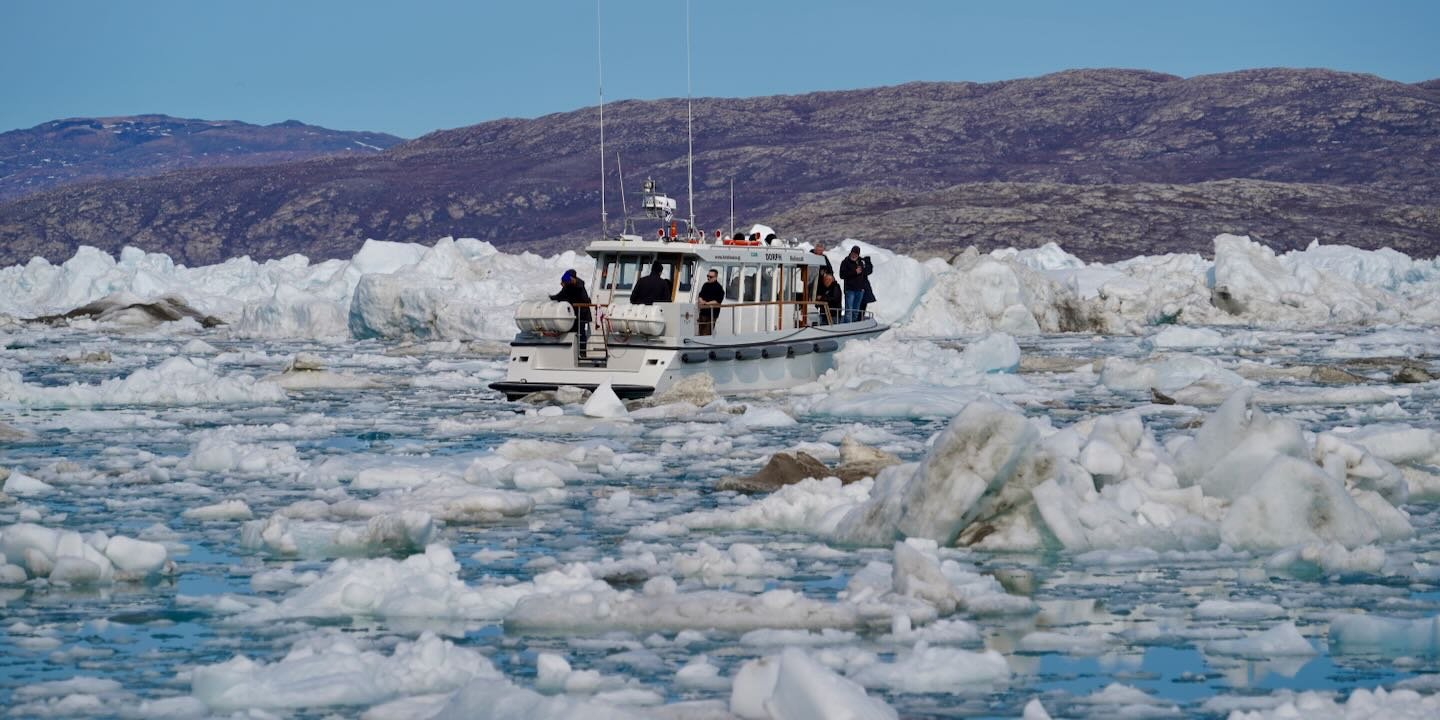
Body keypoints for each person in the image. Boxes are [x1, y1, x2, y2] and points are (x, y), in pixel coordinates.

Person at [550, 269, 592, 341]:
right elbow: (560, 296)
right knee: (571, 333)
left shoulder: (579, 287)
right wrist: (551, 298)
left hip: (582, 315)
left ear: (572, 278)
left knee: (581, 333)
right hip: (573, 315)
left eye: (567, 280)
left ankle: (582, 350)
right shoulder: (568, 286)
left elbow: (584, 301)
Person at [838, 245, 870, 321]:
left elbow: (867, 272)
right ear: (850, 252)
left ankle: (854, 325)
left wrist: (868, 263)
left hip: (859, 290)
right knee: (849, 310)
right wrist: (854, 272)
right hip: (850, 290)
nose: (854, 255)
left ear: (858, 254)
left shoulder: (861, 262)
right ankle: (847, 326)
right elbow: (842, 275)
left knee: (856, 310)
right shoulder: (845, 262)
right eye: (853, 253)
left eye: (856, 254)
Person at [697, 268, 724, 335]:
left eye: (710, 277)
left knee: (707, 333)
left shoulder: (719, 288)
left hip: (712, 314)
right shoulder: (705, 285)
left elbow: (718, 301)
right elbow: (700, 295)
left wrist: (706, 303)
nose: (708, 278)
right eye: (707, 276)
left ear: (715, 277)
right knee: (701, 332)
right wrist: (701, 300)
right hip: (703, 313)